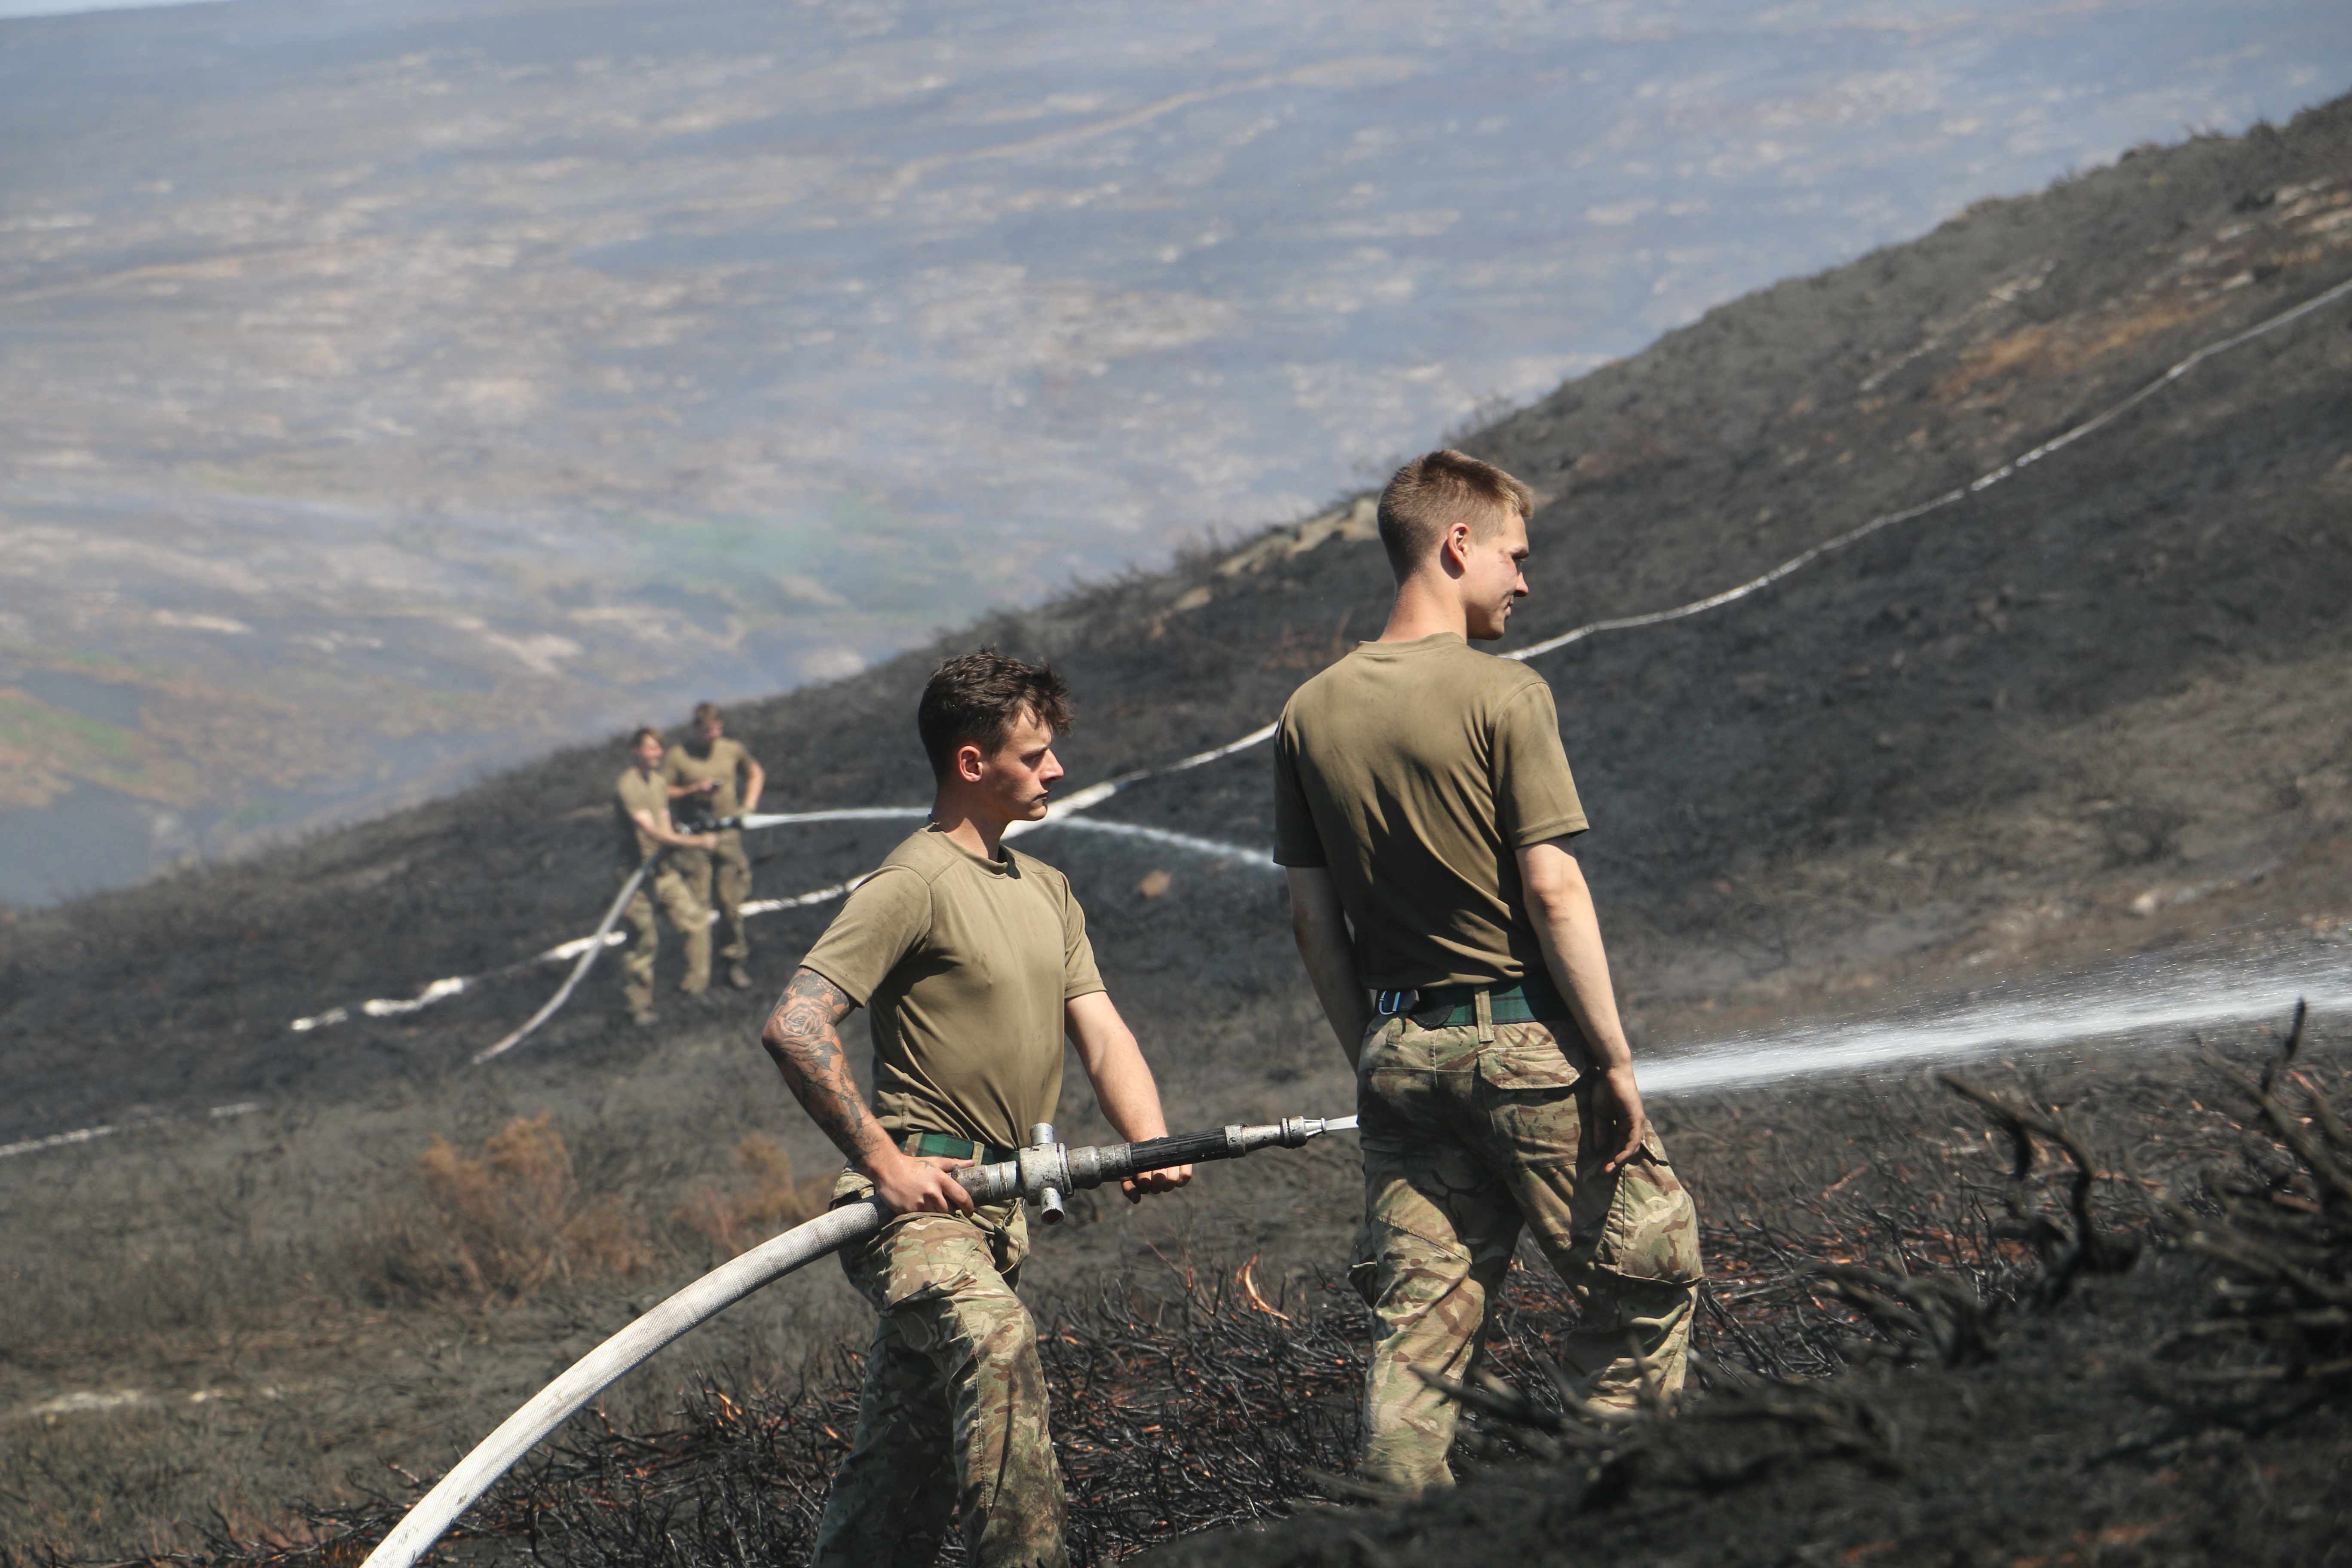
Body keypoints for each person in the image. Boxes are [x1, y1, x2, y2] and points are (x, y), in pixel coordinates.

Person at [1274, 449, 1703, 1494]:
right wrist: (1609, 1061)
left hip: (1395, 1058)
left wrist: (1373, 1055)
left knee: (1414, 1351)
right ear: (1456, 543)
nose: (1525, 580)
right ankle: (1605, 1514)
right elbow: (1553, 890)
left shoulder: (1306, 714)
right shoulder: (1503, 694)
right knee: (1645, 1280)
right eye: (1514, 555)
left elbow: (1307, 916)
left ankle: (1398, 1544)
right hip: (1521, 1046)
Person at [759, 651, 1193, 1568]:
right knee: (999, 1344)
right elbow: (796, 1026)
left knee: (899, 1471)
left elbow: (1102, 1030)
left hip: (999, 1209)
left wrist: (1146, 1137)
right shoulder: (911, 881)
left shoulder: (1047, 890)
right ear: (970, 764)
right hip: (916, 1207)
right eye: (1034, 757)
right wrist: (885, 1162)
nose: (1056, 771)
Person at [614, 726, 720, 1026]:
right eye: (650, 748)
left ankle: (694, 989)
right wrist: (699, 843)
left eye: (659, 748)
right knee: (644, 942)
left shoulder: (659, 781)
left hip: (662, 872)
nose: (657, 754)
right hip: (636, 879)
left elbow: (666, 828)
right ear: (635, 751)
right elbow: (651, 832)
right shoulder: (629, 786)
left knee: (697, 922)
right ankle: (637, 1009)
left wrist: (682, 838)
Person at [661, 701, 767, 989]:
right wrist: (693, 789)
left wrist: (748, 807)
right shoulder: (678, 756)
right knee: (697, 909)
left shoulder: (732, 749)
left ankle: (734, 964)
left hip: (728, 839)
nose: (713, 736)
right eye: (707, 731)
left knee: (730, 904)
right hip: (694, 841)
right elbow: (661, 790)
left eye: (717, 730)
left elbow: (755, 773)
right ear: (696, 728)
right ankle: (697, 976)